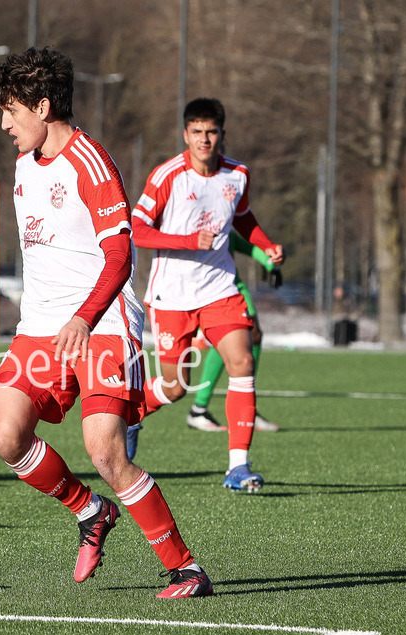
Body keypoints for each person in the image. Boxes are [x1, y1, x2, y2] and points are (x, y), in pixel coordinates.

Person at [0, 48, 212, 598]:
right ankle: (90, 510)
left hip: (103, 322)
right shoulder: (23, 164)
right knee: (6, 434)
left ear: (43, 107)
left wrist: (84, 319)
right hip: (41, 326)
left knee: (106, 452)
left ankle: (186, 569)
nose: (5, 123)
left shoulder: (92, 163)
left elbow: (121, 256)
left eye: (12, 110)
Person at [128, 97, 284, 492]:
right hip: (172, 294)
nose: (204, 139)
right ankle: (132, 413)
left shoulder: (238, 174)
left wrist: (266, 246)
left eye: (211, 131)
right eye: (196, 131)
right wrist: (187, 240)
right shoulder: (167, 175)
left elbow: (243, 217)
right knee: (175, 387)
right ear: (186, 135)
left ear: (222, 134)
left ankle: (238, 467)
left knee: (242, 361)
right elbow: (137, 229)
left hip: (219, 288)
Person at [186, 230, 281, 432]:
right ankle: (199, 408)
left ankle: (245, 407)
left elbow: (246, 244)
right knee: (225, 340)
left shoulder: (225, 225)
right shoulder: (196, 223)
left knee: (253, 335)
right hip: (205, 289)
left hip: (232, 286)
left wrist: (269, 262)